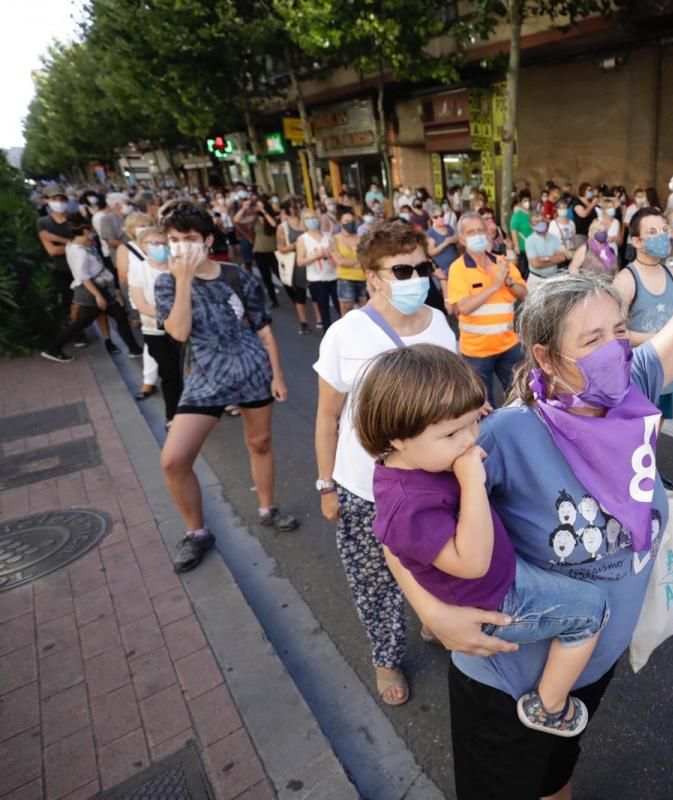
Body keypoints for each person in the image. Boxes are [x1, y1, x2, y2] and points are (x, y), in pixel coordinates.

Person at [392, 155, 673, 799]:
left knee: (555, 780)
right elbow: (397, 514)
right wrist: (431, 610)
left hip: (585, 669)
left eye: (618, 332)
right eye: (592, 340)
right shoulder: (504, 436)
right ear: (545, 357)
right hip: (511, 678)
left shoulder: (634, 385)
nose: (615, 350)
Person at [361, 345, 608, 736]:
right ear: (398, 437)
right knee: (592, 610)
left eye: (473, 421)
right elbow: (472, 562)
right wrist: (471, 480)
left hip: (498, 573)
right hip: (493, 599)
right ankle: (549, 706)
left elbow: (451, 433)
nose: (469, 440)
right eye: (452, 432)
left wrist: (461, 423)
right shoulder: (408, 506)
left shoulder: (418, 458)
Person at [314, 222, 457, 707]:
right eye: (401, 269)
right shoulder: (344, 334)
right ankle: (386, 656)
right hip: (363, 488)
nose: (416, 277)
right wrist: (326, 484)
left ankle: (432, 618)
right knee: (374, 578)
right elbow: (328, 415)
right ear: (372, 277)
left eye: (422, 267)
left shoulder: (438, 323)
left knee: (437, 560)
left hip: (433, 481)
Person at [153, 201, 299, 572]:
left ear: (206, 239)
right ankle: (197, 532)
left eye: (188, 238)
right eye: (174, 239)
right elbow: (178, 331)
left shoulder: (238, 276)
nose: (181, 245)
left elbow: (264, 328)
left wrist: (277, 374)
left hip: (251, 370)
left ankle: (267, 508)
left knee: (259, 442)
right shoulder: (167, 282)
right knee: (173, 460)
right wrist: (184, 278)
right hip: (204, 378)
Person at [614, 207, 673, 424]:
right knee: (630, 443)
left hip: (666, 376)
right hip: (634, 379)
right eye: (653, 231)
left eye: (664, 229)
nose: (662, 236)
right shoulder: (626, 280)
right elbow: (612, 333)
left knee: (653, 439)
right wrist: (656, 339)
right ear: (636, 241)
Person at [448, 212, 528, 405]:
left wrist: (507, 280)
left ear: (488, 233)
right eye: (470, 232)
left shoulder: (502, 262)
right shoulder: (458, 269)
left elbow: (523, 293)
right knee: (482, 404)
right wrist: (495, 284)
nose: (477, 235)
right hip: (476, 352)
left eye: (480, 230)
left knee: (519, 396)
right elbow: (464, 307)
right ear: (462, 239)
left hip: (509, 344)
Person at [40, 214, 142, 363]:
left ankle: (134, 349)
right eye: (91, 231)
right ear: (86, 231)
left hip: (100, 289)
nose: (93, 234)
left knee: (120, 316)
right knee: (81, 323)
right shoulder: (79, 251)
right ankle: (53, 348)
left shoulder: (79, 246)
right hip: (92, 292)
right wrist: (98, 296)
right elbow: (84, 276)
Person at [127, 226, 184, 422]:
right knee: (169, 373)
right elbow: (141, 304)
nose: (160, 247)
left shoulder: (177, 266)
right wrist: (171, 316)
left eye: (163, 243)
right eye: (154, 243)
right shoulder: (138, 270)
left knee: (187, 369)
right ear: (143, 247)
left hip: (182, 328)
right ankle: (173, 416)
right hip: (156, 330)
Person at [115, 212, 157, 396]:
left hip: (167, 298)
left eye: (147, 223)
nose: (144, 227)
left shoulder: (159, 244)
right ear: (131, 230)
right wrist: (133, 309)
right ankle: (149, 381)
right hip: (144, 301)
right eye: (140, 225)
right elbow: (124, 278)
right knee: (152, 342)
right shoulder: (126, 249)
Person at [296, 207, 339, 331]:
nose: (311, 220)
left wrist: (330, 253)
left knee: (340, 307)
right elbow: (300, 262)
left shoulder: (328, 235)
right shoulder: (302, 239)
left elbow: (336, 252)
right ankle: (329, 337)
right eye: (308, 218)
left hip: (334, 276)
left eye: (313, 217)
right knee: (324, 310)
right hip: (317, 280)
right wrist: (316, 256)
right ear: (303, 221)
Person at [37, 185, 76, 318]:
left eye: (62, 199)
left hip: (81, 267)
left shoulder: (74, 219)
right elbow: (52, 251)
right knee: (70, 302)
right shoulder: (43, 223)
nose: (59, 202)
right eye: (54, 199)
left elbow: (86, 244)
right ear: (46, 200)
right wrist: (74, 245)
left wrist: (56, 238)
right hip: (62, 269)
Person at [275, 198, 313, 335]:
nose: (297, 208)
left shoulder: (307, 223)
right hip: (296, 265)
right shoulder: (283, 227)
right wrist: (295, 245)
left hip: (311, 261)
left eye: (299, 205)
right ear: (287, 209)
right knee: (300, 293)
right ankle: (304, 322)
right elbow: (280, 248)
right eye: (293, 206)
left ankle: (320, 319)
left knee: (316, 292)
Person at [331, 211, 368, 315]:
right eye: (346, 221)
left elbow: (366, 257)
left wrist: (350, 262)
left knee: (365, 311)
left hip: (362, 278)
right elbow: (339, 261)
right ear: (340, 223)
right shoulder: (334, 239)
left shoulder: (360, 238)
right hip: (345, 279)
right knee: (346, 311)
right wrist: (358, 261)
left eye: (352, 221)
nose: (350, 223)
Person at [524, 208, 570, 290]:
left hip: (553, 279)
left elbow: (562, 257)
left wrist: (545, 259)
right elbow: (536, 264)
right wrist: (553, 259)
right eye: (536, 222)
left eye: (541, 221)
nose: (540, 224)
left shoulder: (554, 238)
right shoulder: (529, 241)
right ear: (531, 225)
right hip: (536, 280)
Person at [249, 198, 280, 308]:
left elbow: (273, 224)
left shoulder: (272, 215)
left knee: (279, 274)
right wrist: (244, 208)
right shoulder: (255, 218)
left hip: (273, 251)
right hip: (259, 252)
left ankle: (293, 295)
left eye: (260, 205)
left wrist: (264, 212)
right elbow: (237, 220)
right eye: (257, 206)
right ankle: (273, 300)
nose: (259, 208)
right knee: (266, 278)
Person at [509, 190, 534, 277]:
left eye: (528, 200)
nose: (527, 203)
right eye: (524, 201)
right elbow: (514, 231)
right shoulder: (517, 216)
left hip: (534, 246)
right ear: (520, 203)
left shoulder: (533, 214)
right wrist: (516, 245)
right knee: (525, 270)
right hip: (523, 247)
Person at [572, 184, 599, 248]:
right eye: (589, 190)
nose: (591, 192)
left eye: (591, 190)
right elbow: (583, 214)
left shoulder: (590, 202)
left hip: (592, 235)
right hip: (581, 234)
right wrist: (592, 205)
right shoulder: (577, 202)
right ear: (583, 190)